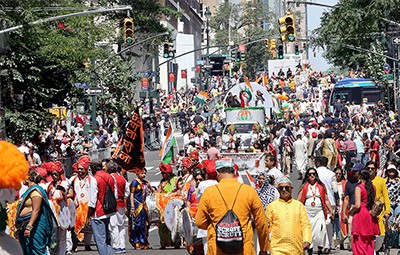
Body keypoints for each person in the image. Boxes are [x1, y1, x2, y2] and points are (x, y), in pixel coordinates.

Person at [195, 158, 269, 255]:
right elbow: (261, 223)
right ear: (234, 171)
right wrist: (263, 248)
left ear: (217, 172)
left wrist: (215, 224)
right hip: (244, 248)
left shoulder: (209, 192)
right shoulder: (249, 191)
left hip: (217, 248)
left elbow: (200, 222)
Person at [16, 169, 58, 255]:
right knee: (28, 250)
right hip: (26, 223)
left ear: (28, 178)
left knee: (37, 250)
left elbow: (36, 210)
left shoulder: (36, 191)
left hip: (36, 225)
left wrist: (29, 226)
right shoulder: (29, 190)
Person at [266, 177, 312, 254]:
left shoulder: (299, 205)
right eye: (281, 188)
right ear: (278, 190)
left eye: (287, 188)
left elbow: (305, 225)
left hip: (296, 248)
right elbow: (267, 227)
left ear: (291, 189)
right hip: (277, 248)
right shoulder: (271, 206)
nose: (284, 190)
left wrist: (306, 240)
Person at [297, 168, 334, 254]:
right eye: (309, 174)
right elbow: (299, 200)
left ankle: (320, 247)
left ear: (316, 175)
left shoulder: (321, 186)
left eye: (313, 174)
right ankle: (310, 248)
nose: (312, 175)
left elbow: (326, 199)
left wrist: (331, 211)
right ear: (307, 176)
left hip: (319, 212)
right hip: (308, 213)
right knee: (309, 230)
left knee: (321, 229)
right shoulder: (304, 186)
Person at [86, 158, 116, 255]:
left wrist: (88, 215)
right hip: (109, 210)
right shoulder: (110, 176)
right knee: (107, 238)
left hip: (98, 212)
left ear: (93, 168)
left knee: (100, 239)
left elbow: (92, 201)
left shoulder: (94, 179)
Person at [348, 170, 380, 255]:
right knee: (368, 240)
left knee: (359, 238)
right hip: (369, 214)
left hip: (361, 213)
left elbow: (357, 205)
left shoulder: (359, 188)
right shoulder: (373, 187)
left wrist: (350, 211)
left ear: (360, 177)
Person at [315, 156, 338, 251]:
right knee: (329, 224)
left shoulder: (314, 173)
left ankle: (320, 244)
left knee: (318, 223)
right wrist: (338, 203)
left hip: (317, 201)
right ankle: (327, 245)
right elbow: (335, 190)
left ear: (318, 163)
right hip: (331, 201)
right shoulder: (332, 174)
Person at [366, 160, 390, 252]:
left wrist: (387, 211)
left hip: (379, 211)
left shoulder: (381, 181)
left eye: (372, 168)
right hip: (368, 211)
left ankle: (375, 249)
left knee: (381, 234)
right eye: (368, 168)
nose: (370, 170)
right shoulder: (364, 181)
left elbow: (386, 197)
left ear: (376, 170)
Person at [128, 168, 153, 250]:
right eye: (142, 173)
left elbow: (152, 191)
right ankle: (137, 242)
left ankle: (144, 242)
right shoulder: (134, 182)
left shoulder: (145, 183)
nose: (144, 175)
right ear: (137, 173)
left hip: (144, 206)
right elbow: (132, 194)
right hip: (136, 205)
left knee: (145, 224)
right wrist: (132, 206)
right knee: (137, 224)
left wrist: (151, 188)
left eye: (145, 173)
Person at [341, 162, 364, 251]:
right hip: (352, 209)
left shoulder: (365, 183)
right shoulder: (349, 183)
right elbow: (346, 199)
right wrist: (344, 213)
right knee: (351, 233)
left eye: (356, 171)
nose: (354, 173)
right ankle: (354, 248)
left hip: (363, 209)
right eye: (353, 171)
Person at [108, 162, 129, 253]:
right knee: (121, 225)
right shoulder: (122, 179)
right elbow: (127, 192)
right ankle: (122, 245)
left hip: (112, 203)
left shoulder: (109, 178)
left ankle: (116, 246)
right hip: (121, 203)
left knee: (113, 226)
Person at [384, 164, 400, 248]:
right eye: (390, 170)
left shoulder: (398, 181)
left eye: (393, 170)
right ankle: (389, 242)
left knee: (397, 222)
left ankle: (397, 242)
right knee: (389, 222)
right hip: (388, 204)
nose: (391, 172)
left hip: (397, 203)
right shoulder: (384, 181)